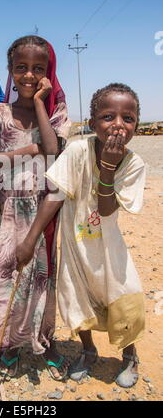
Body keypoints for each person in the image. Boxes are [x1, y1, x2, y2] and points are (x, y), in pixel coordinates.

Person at [16, 83, 145, 388]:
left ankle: (130, 355)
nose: (117, 125)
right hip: (76, 246)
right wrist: (30, 238)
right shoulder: (76, 151)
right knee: (76, 298)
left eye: (128, 119)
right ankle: (88, 351)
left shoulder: (134, 164)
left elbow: (107, 208)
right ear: (92, 122)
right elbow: (55, 196)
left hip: (108, 250)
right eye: (108, 117)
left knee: (122, 299)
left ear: (137, 124)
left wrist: (109, 169)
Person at [0, 36, 71, 380]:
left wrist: (41, 102)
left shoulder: (56, 112)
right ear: (10, 71)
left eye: (38, 69)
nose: (29, 75)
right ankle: (8, 344)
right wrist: (26, 152)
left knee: (44, 280)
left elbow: (53, 151)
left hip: (46, 211)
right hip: (8, 212)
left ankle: (44, 340)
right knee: (8, 279)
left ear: (48, 73)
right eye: (21, 68)